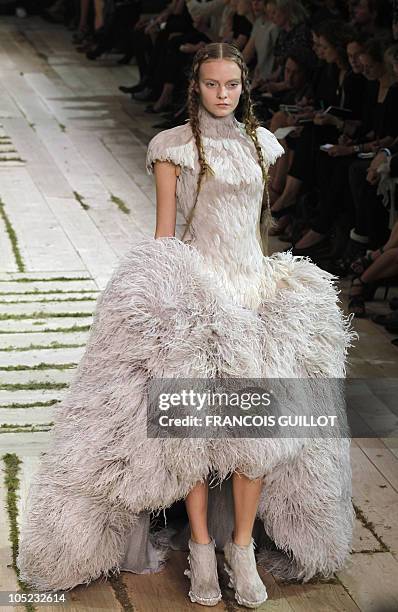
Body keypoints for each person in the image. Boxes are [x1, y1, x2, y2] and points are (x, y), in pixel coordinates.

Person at [17, 43, 357, 609]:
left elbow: (256, 231)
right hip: (199, 297)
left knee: (258, 436)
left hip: (256, 294)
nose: (222, 95)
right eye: (211, 84)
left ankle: (241, 549)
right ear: (194, 86)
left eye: (231, 85)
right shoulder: (171, 147)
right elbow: (166, 233)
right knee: (193, 436)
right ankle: (201, 549)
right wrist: (162, 303)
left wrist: (269, 287)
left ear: (243, 86)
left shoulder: (263, 143)